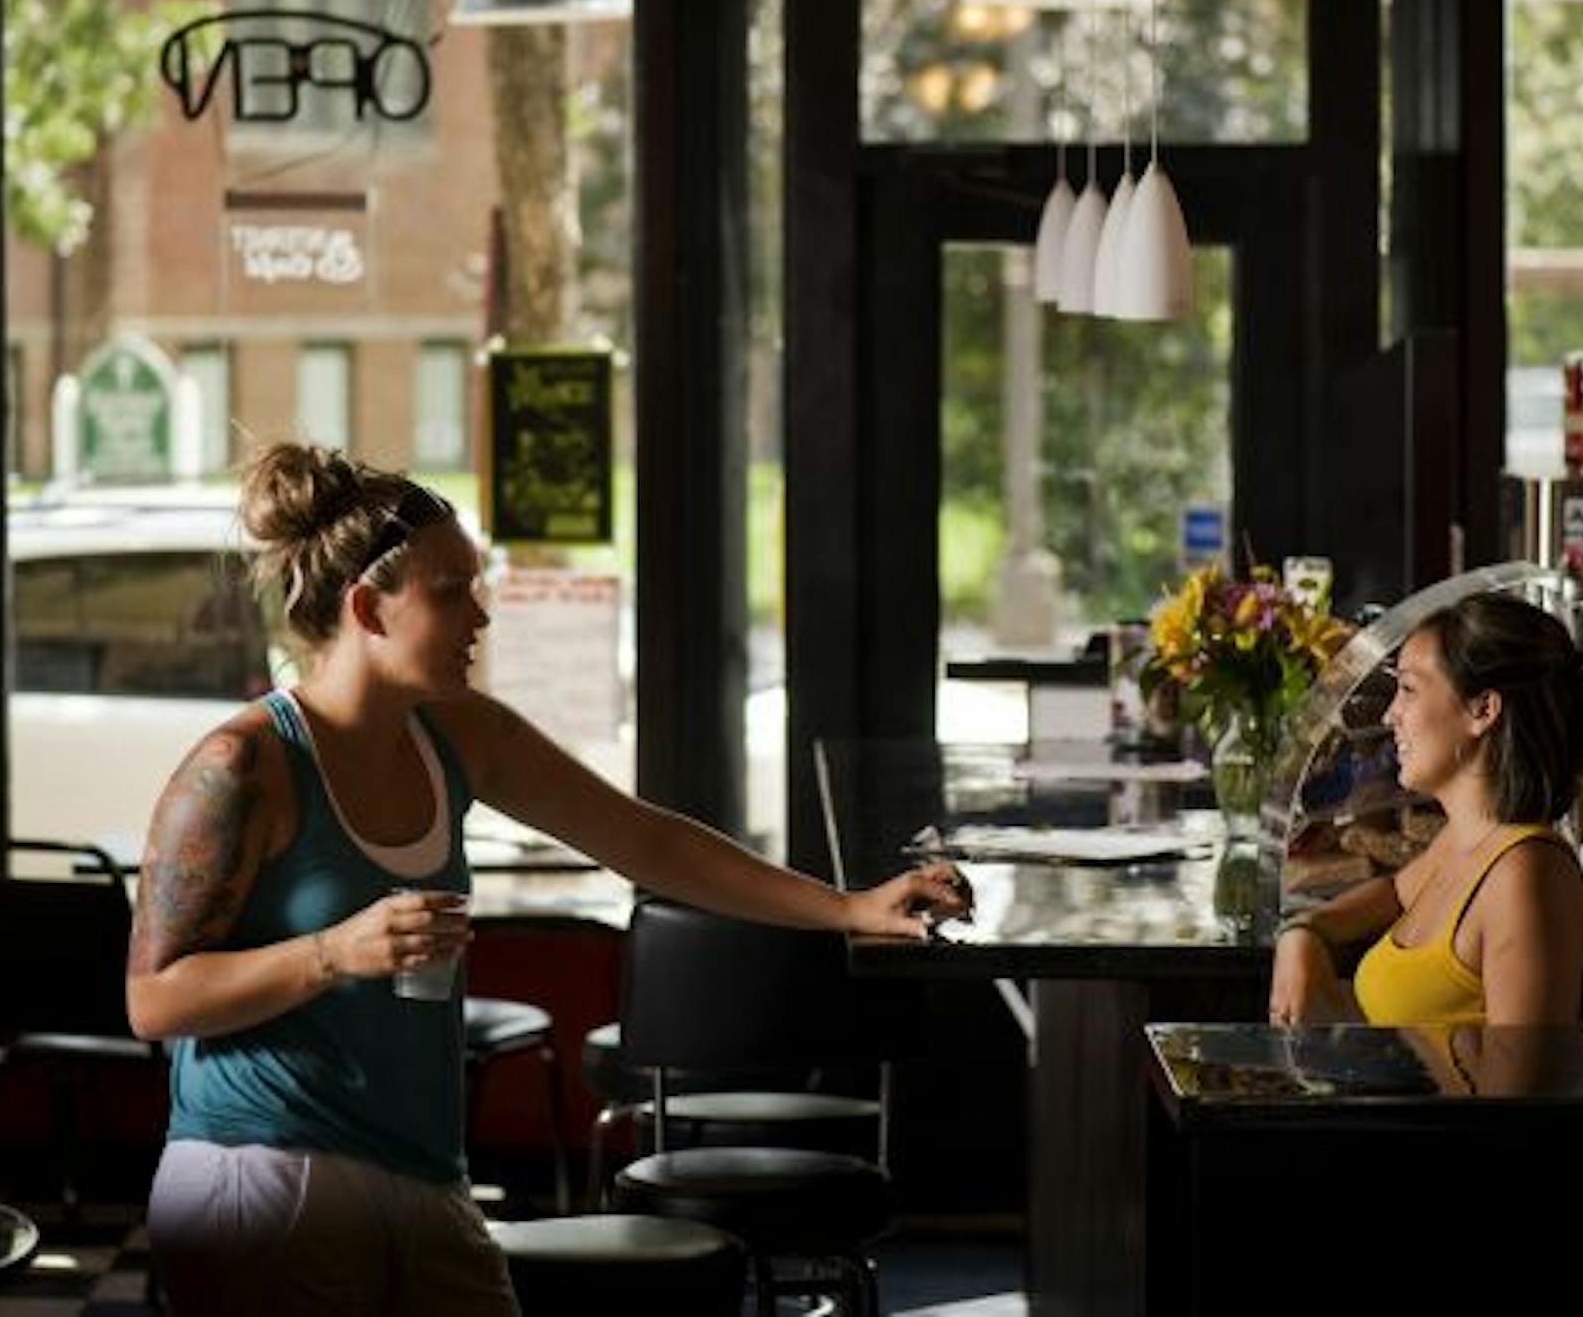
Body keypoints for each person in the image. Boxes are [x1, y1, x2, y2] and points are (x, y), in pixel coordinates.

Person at [126, 444, 968, 1315]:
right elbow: (153, 1001)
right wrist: (335, 953)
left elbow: (647, 842)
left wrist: (848, 908)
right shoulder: (242, 766)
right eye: (452, 592)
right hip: (261, 1172)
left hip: (421, 1173)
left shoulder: (458, 733)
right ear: (369, 609)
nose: (480, 615)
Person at [1267, 591, 1583, 1028]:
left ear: (1482, 710)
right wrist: (1305, 932)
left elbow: (1522, 1074)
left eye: (1408, 689)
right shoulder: (1462, 841)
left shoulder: (1526, 875)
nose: (1390, 716)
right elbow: (1393, 892)